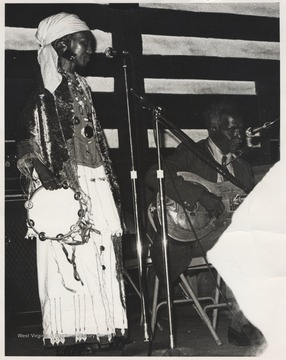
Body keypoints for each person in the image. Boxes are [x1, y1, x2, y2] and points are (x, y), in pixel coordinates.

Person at [16, 13, 127, 354]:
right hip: (63, 182)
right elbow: (24, 137)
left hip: (94, 177)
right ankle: (70, 332)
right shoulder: (39, 86)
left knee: (99, 251)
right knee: (68, 256)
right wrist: (41, 169)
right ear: (63, 45)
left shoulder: (80, 84)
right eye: (84, 43)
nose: (90, 49)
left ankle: (101, 328)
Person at [144, 99, 264, 347]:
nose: (239, 135)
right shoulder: (192, 153)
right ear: (213, 129)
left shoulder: (242, 167)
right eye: (232, 129)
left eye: (240, 129)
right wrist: (199, 196)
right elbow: (153, 174)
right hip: (189, 238)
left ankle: (246, 320)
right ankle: (242, 324)